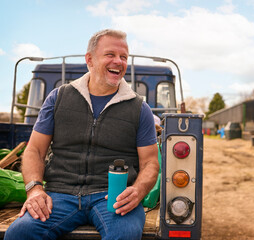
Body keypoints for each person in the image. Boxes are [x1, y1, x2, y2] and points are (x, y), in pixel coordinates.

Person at [5, 29, 159, 240]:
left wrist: (139, 190)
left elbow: (150, 163)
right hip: (59, 195)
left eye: (123, 57)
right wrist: (34, 190)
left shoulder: (139, 109)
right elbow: (34, 150)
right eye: (110, 55)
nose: (119, 61)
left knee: (124, 235)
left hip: (113, 198)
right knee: (19, 232)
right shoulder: (58, 98)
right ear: (90, 59)